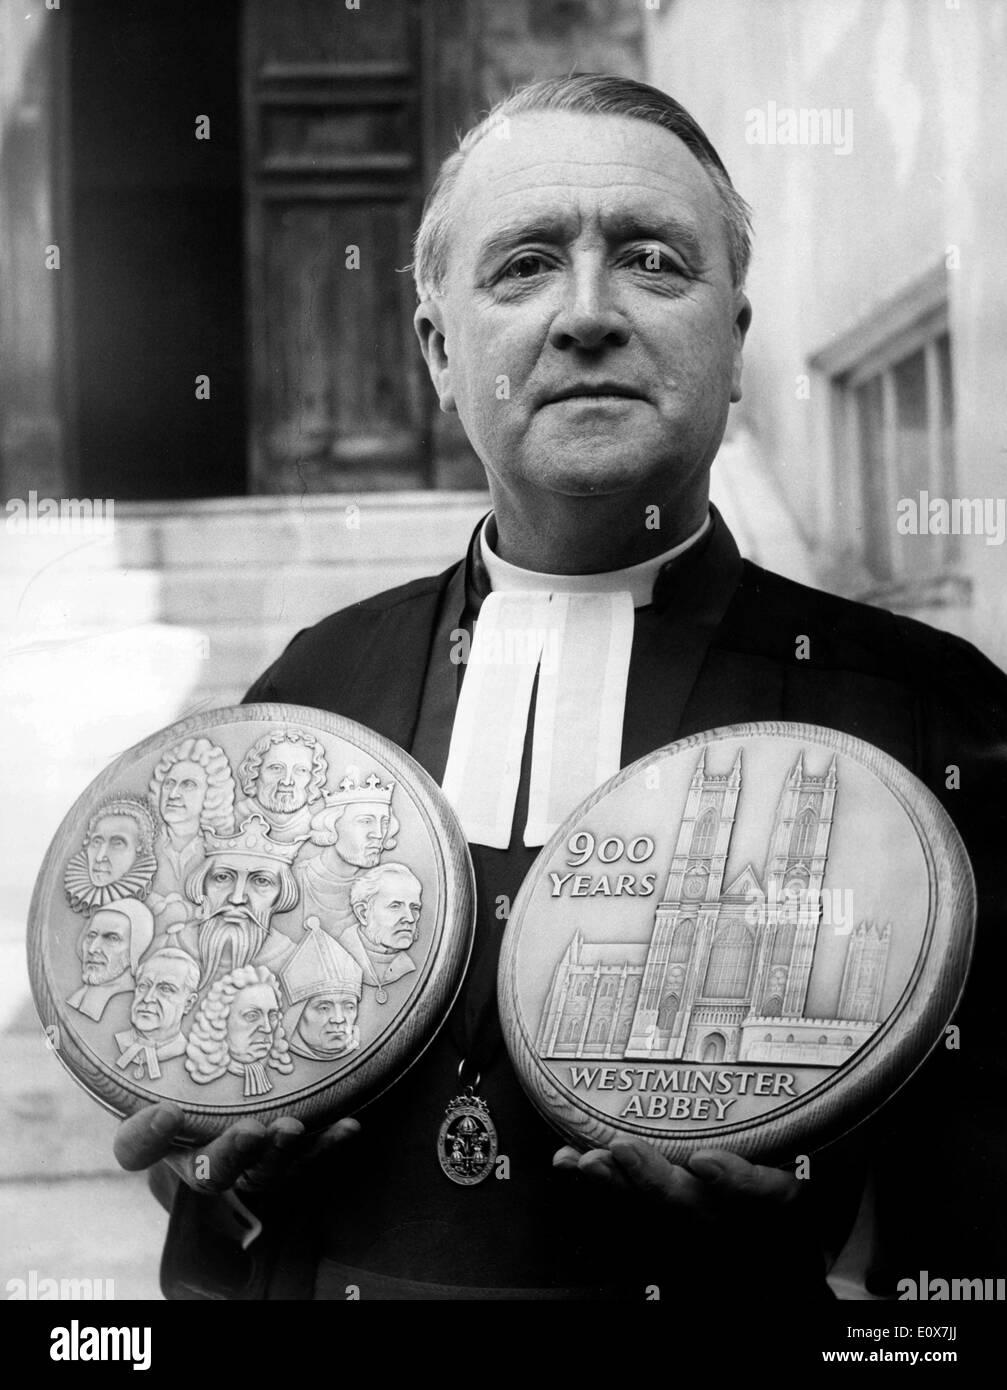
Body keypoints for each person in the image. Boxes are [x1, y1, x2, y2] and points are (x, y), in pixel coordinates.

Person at [115, 74, 1007, 1302]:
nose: (586, 315)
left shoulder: (926, 713)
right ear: (439, 353)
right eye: (524, 266)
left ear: (733, 341)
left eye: (650, 261)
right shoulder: (310, 695)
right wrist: (203, 1166)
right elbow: (222, 1161)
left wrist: (784, 1280)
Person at [166, 814, 301, 988]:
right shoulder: (170, 944)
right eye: (222, 877)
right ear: (202, 884)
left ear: (282, 894)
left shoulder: (293, 959)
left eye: (261, 881)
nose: (237, 899)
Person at [147, 737, 237, 928]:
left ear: (212, 794)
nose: (173, 794)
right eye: (169, 784)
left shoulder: (222, 854)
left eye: (188, 785)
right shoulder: (142, 848)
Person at [115, 947, 200, 1081]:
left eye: (165, 989)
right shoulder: (118, 1041)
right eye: (143, 986)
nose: (147, 998)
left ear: (188, 1003)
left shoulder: (189, 1054)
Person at [340, 864, 422, 1001]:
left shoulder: (408, 966)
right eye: (395, 906)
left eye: (415, 907)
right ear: (363, 913)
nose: (410, 918)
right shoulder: (337, 958)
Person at [67, 898, 155, 1023]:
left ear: (136, 948)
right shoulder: (77, 999)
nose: (92, 949)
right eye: (91, 936)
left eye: (112, 938)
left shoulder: (132, 1008)